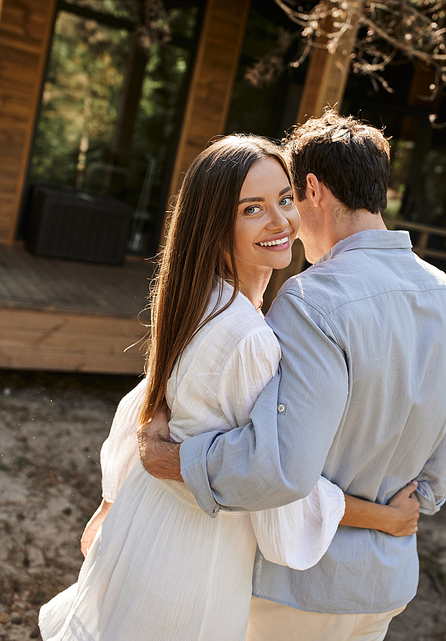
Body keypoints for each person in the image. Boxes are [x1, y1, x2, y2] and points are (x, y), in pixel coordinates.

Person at [39, 135, 419, 641]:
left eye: (285, 200)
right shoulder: (249, 339)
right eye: (252, 210)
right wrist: (385, 520)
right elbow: (272, 483)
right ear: (216, 225)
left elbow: (144, 407)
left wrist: (113, 501)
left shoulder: (198, 303)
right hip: (192, 558)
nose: (280, 221)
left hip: (145, 521)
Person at [140, 112, 446, 641]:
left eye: (288, 198)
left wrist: (168, 456)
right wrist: (391, 513)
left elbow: (279, 470)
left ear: (313, 191)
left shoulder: (311, 301)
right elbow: (437, 479)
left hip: (298, 588)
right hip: (386, 588)